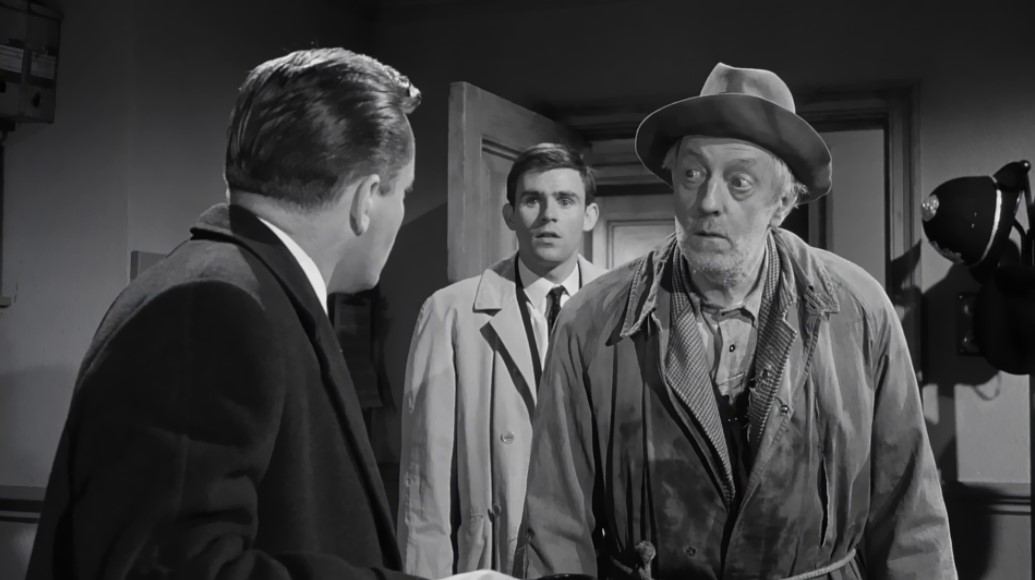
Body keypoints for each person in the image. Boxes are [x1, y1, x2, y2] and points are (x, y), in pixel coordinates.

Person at [26, 47, 514, 580]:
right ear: (366, 199)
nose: (400, 210)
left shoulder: (251, 292)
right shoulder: (215, 306)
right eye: (404, 192)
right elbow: (168, 569)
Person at [515, 63, 957, 579]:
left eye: (739, 182)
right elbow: (556, 531)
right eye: (692, 174)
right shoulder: (592, 322)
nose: (707, 202)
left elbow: (910, 520)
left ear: (783, 202)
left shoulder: (858, 310)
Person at [397, 143, 607, 577]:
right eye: (532, 200)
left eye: (565, 200)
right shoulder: (450, 313)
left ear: (589, 215)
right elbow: (426, 482)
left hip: (597, 554)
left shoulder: (622, 308)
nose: (548, 215)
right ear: (509, 215)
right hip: (496, 557)